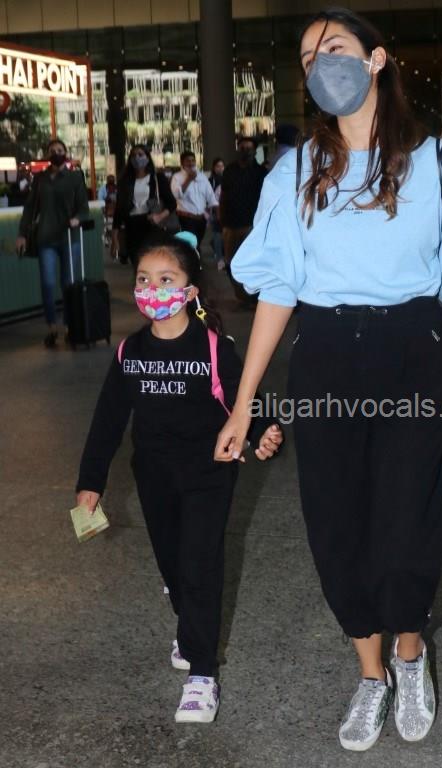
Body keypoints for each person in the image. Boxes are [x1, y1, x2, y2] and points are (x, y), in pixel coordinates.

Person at [216, 7, 442, 752]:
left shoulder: (438, 165)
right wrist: (243, 403)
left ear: (377, 59)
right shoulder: (294, 172)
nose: (322, 63)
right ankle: (370, 673)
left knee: (408, 519)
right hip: (325, 355)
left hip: (411, 350)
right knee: (335, 522)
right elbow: (278, 290)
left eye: (336, 47)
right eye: (308, 56)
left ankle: (410, 654)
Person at [75, 231, 283, 724]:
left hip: (210, 472)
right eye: (144, 279)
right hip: (154, 475)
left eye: (166, 279)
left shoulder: (212, 348)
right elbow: (107, 421)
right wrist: (90, 482)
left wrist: (264, 433)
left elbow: (247, 399)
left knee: (199, 564)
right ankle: (188, 621)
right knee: (173, 565)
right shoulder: (130, 352)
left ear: (190, 291)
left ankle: (202, 674)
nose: (153, 289)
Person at [16, 138, 89, 348]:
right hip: (45, 238)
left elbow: (83, 208)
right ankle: (51, 327)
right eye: (52, 150)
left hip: (69, 237)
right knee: (47, 284)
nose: (56, 153)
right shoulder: (40, 179)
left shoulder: (75, 177)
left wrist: (77, 219)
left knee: (68, 284)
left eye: (60, 149)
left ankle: (69, 327)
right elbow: (30, 208)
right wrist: (22, 234)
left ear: (65, 152)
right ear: (48, 155)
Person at [112, 145, 177, 267]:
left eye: (140, 154)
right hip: (132, 225)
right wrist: (115, 236)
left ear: (147, 157)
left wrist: (159, 216)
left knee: (152, 263)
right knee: (137, 264)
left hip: (152, 225)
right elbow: (119, 209)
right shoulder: (125, 181)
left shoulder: (157, 178)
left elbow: (172, 203)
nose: (137, 158)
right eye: (134, 155)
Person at [219, 137, 267, 303]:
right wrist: (221, 218)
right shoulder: (230, 170)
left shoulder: (260, 172)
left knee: (250, 261)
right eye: (242, 148)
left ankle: (250, 294)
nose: (245, 151)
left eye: (249, 148)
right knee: (230, 261)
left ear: (254, 151)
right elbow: (223, 195)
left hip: (251, 224)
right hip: (230, 223)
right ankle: (240, 293)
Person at [171, 151, 217, 247]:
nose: (191, 163)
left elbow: (210, 195)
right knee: (189, 244)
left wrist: (215, 208)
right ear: (182, 163)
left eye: (193, 160)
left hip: (201, 218)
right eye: (188, 161)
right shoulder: (177, 177)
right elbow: (176, 195)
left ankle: (197, 255)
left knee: (198, 243)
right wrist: (189, 179)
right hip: (186, 218)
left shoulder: (201, 176)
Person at [208, 158, 225, 271]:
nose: (220, 168)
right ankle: (220, 258)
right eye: (218, 166)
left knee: (221, 235)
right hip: (215, 210)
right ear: (214, 167)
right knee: (217, 234)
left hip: (225, 210)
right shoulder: (211, 180)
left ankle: (219, 252)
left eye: (222, 166)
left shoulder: (226, 179)